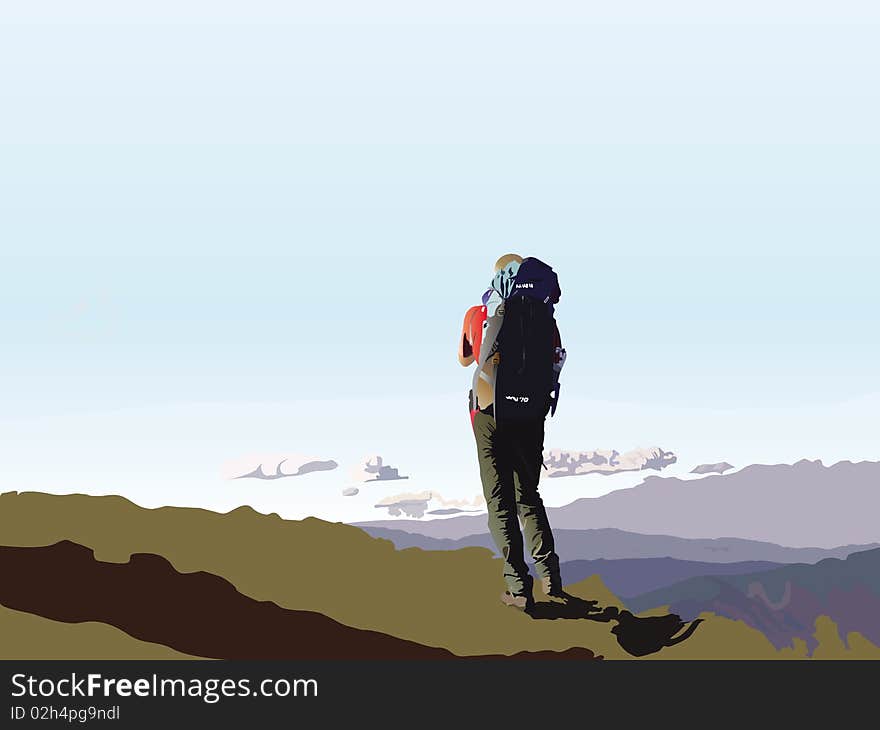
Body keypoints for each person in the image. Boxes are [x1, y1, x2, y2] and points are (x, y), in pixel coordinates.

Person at [458, 253, 569, 612]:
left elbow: (465, 358)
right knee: (528, 496)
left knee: (499, 499)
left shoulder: (480, 314)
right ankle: (551, 579)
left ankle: (517, 587)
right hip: (530, 415)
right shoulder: (544, 318)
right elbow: (554, 360)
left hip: (488, 411)